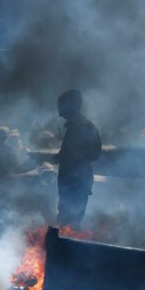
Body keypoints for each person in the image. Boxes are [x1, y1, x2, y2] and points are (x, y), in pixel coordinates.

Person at [55, 90, 101, 229]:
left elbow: (87, 154)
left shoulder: (79, 127)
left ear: (72, 105)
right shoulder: (82, 126)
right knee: (69, 222)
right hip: (76, 181)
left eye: (61, 104)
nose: (58, 108)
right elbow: (93, 153)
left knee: (68, 224)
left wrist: (65, 158)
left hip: (75, 182)